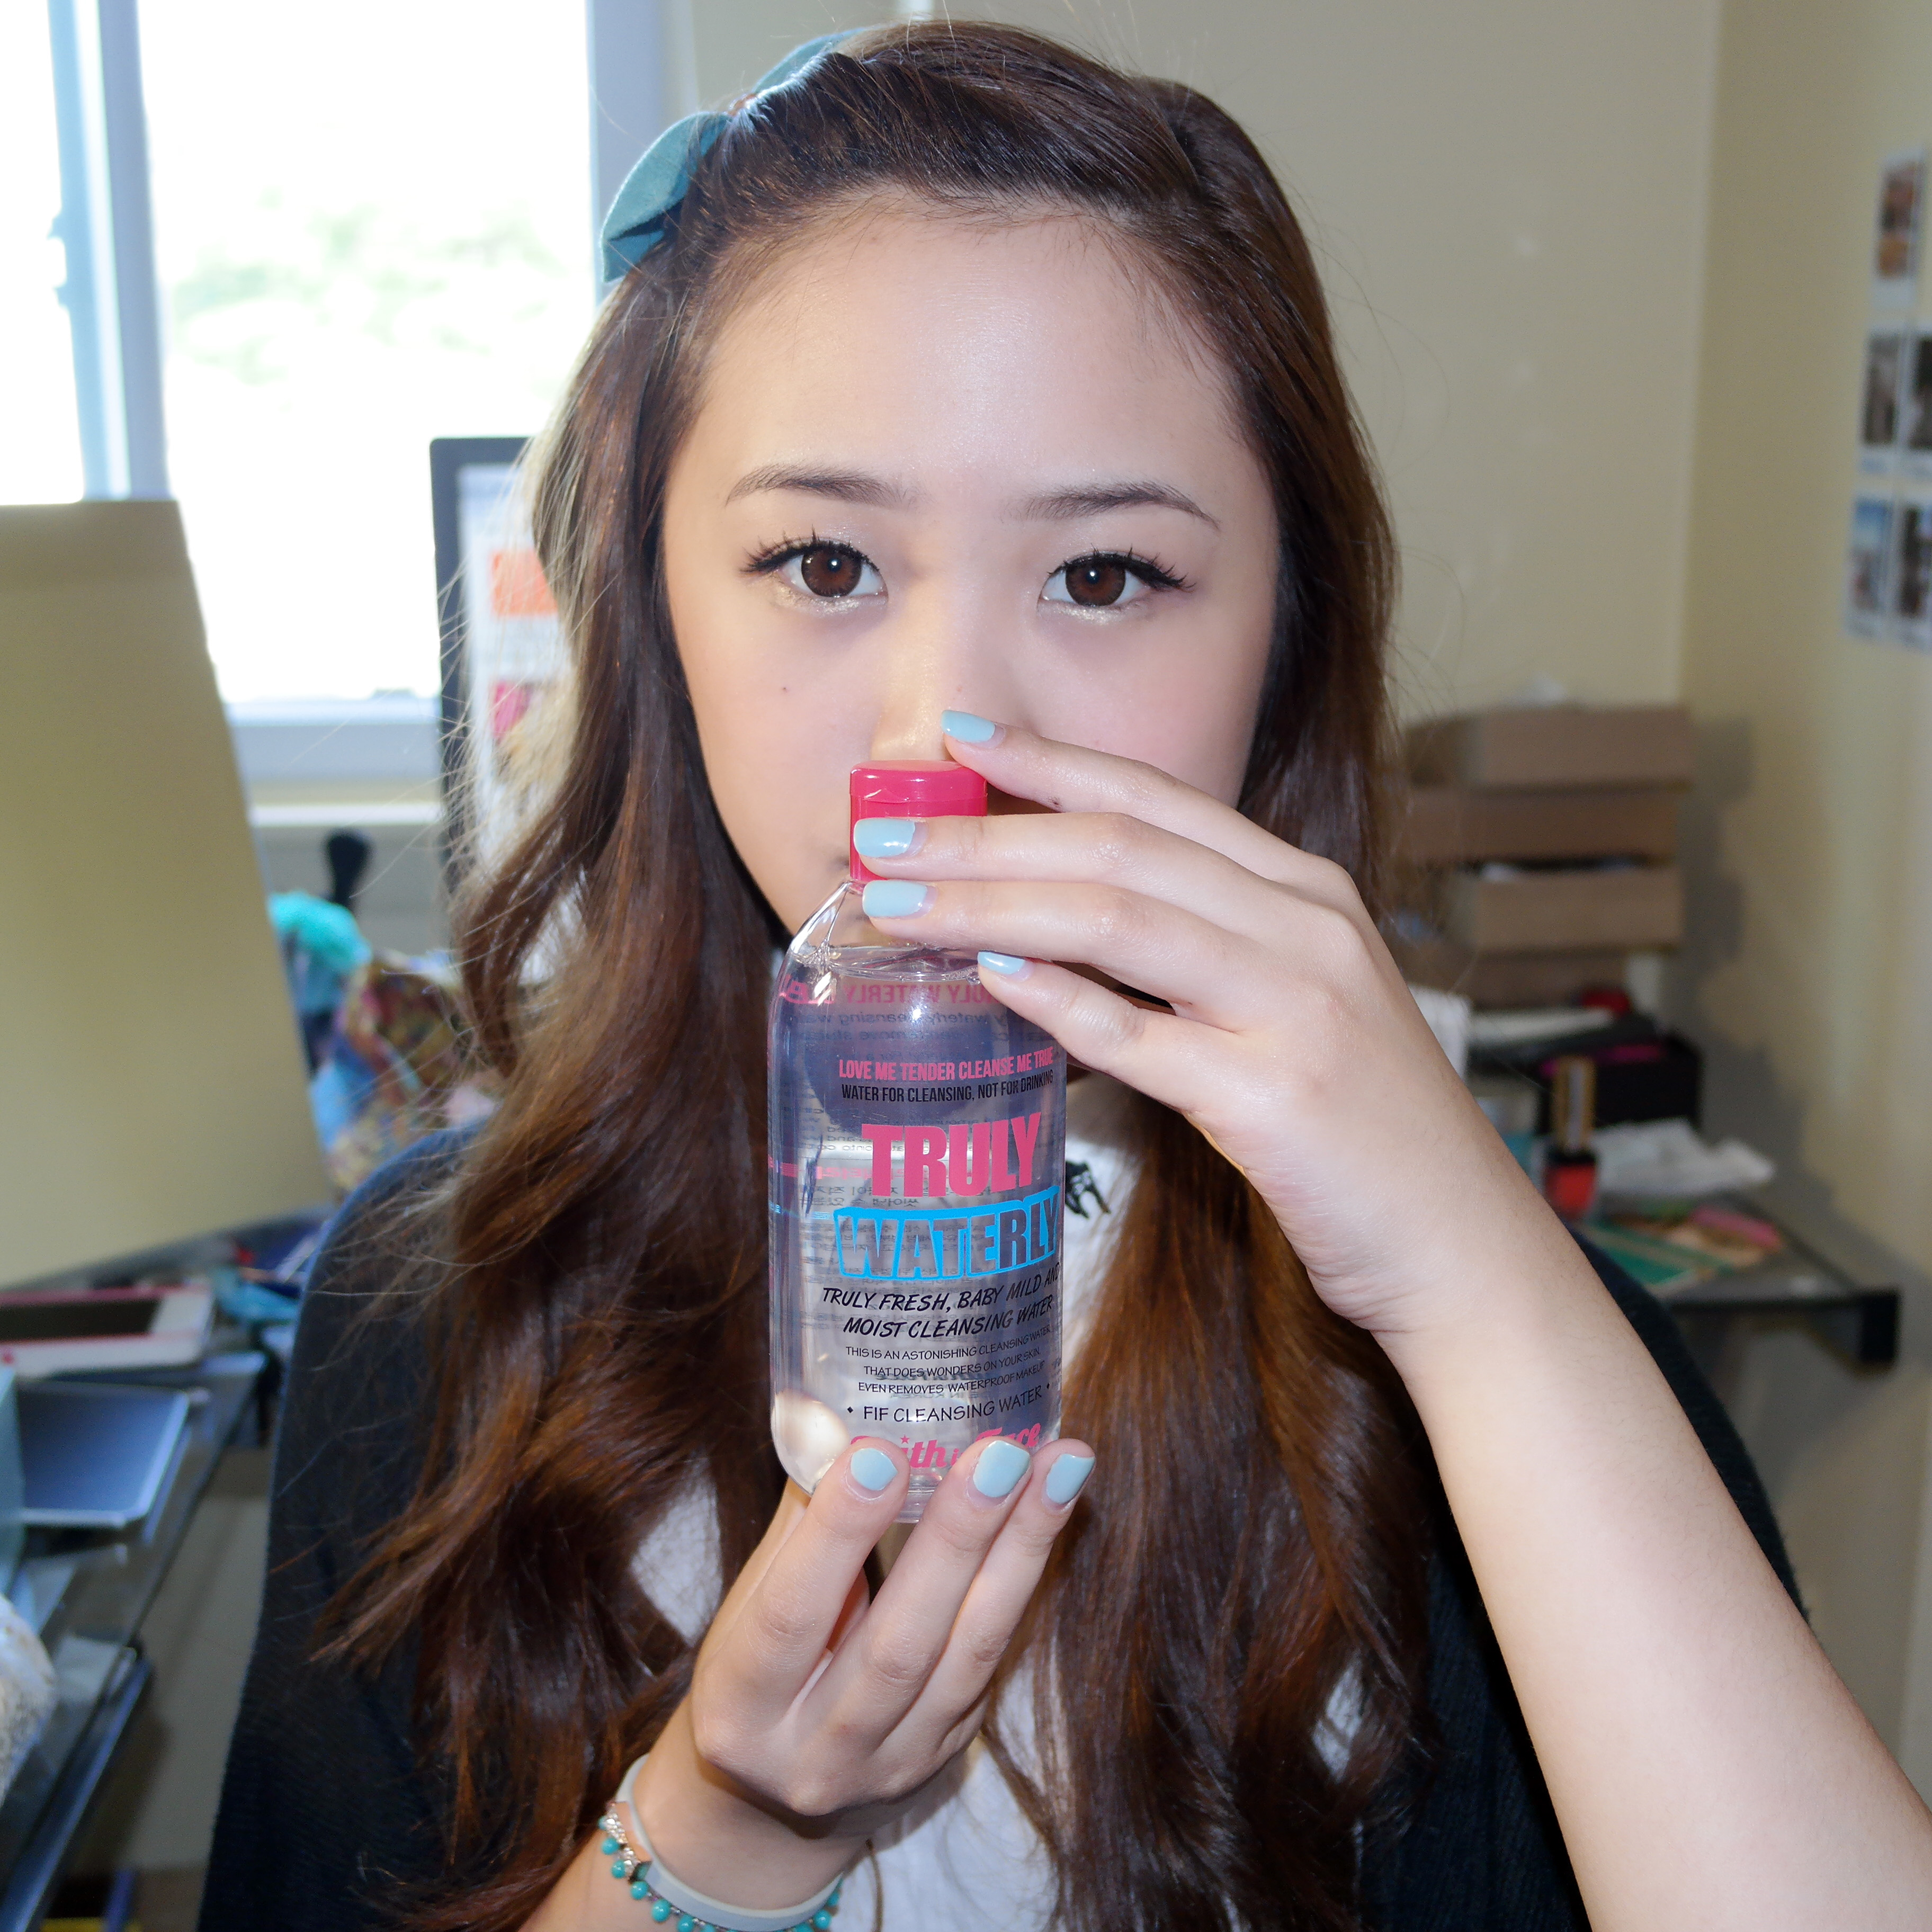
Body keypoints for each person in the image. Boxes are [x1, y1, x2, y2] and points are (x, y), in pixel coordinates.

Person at [203, 24, 1932, 1932]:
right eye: (823, 562)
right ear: (653, 609)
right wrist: (715, 1839)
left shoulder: (1504, 1367)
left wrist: (1480, 1286)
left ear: (1284, 638)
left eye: (1104, 576)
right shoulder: (427, 1319)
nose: (944, 738)